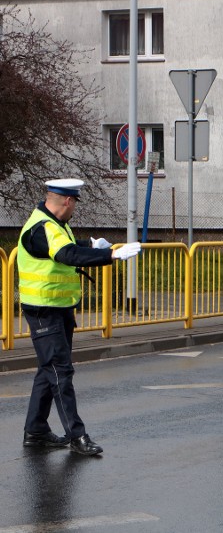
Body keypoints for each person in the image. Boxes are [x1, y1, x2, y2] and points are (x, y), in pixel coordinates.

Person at [18, 179, 141, 456]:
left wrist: (92, 244)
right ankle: (77, 435)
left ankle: (36, 431)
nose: (74, 209)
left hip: (58, 308)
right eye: (75, 203)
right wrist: (111, 255)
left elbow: (68, 246)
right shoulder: (42, 228)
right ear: (68, 201)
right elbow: (66, 254)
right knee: (60, 372)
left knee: (49, 371)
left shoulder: (55, 225)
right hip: (43, 310)